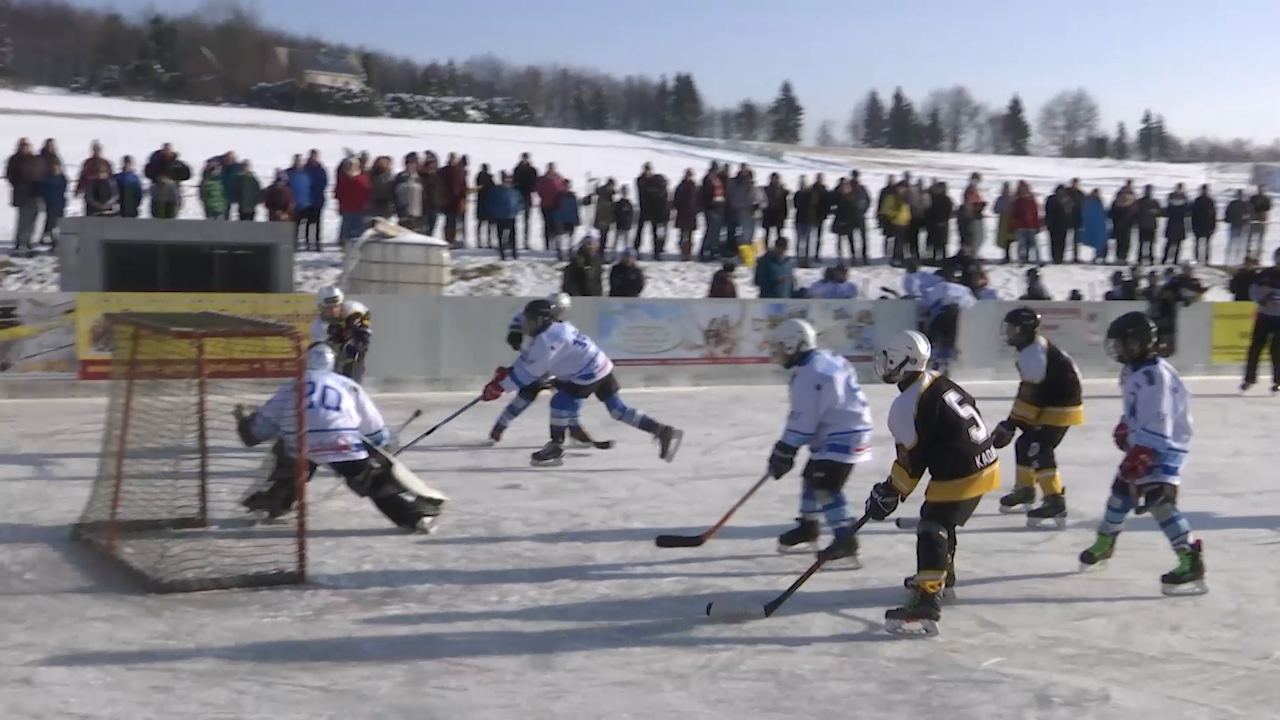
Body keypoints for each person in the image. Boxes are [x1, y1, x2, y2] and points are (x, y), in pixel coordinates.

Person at [862, 329, 1000, 635]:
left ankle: (927, 596)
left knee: (932, 524)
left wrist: (890, 491)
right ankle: (942, 576)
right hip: (984, 461)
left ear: (902, 360)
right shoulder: (937, 380)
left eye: (887, 358)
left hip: (962, 470)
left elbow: (911, 462)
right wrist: (893, 490)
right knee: (942, 516)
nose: (883, 364)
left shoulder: (904, 406)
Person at [235, 343, 439, 533]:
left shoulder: (290, 386)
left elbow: (260, 429)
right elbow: (373, 429)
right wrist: (384, 445)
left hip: (300, 443)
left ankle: (271, 504)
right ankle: (413, 517)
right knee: (371, 480)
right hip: (342, 443)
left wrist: (244, 422)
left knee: (291, 462)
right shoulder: (348, 385)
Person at [1078, 312, 1206, 596]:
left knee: (1159, 502)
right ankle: (1106, 541)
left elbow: (1160, 417)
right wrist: (1127, 425)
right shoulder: (1134, 370)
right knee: (1121, 491)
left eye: (1125, 343)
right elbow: (1139, 409)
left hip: (1165, 445)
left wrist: (1144, 450)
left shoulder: (1153, 375)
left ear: (1142, 342)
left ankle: (1190, 559)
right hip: (1145, 443)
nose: (1120, 350)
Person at [480, 298, 683, 467]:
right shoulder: (556, 326)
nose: (527, 325)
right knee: (618, 410)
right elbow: (527, 358)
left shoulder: (548, 341)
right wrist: (508, 373)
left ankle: (555, 448)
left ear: (541, 320)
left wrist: (499, 386)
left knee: (559, 403)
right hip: (601, 365)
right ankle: (662, 430)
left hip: (586, 373)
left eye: (531, 321)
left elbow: (528, 373)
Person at [766, 319, 874, 563]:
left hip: (844, 433)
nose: (778, 353)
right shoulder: (823, 359)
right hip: (843, 429)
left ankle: (846, 540)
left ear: (795, 345)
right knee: (811, 477)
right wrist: (786, 450)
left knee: (825, 486)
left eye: (781, 347)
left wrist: (785, 449)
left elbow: (803, 420)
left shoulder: (809, 374)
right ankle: (808, 526)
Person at [990, 308, 1083, 527]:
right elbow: (1030, 394)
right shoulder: (1030, 350)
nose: (1008, 333)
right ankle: (1025, 489)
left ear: (1023, 331)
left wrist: (1012, 423)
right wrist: (1014, 423)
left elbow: (1031, 394)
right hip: (1050, 402)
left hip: (1062, 404)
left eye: (1012, 329)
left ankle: (1054, 500)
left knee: (1040, 448)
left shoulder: (1034, 353)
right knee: (1025, 443)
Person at [490, 292, 606, 448]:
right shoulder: (538, 316)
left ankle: (574, 428)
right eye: (557, 310)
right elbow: (519, 317)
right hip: (536, 362)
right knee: (525, 396)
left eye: (562, 311)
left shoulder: (561, 328)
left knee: (566, 399)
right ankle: (500, 425)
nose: (558, 315)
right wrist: (515, 332)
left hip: (554, 369)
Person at [921, 267, 976, 375]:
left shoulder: (942, 286)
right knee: (949, 340)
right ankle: (946, 363)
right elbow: (971, 303)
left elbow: (929, 300)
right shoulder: (964, 289)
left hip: (940, 315)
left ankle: (936, 361)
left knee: (935, 336)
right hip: (954, 316)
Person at [311, 285, 371, 382]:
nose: (334, 310)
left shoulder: (353, 310)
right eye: (329, 308)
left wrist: (363, 329)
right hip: (334, 349)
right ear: (321, 308)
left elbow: (366, 315)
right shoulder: (318, 327)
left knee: (355, 358)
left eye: (336, 306)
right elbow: (321, 351)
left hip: (354, 341)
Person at [1242, 248, 1280, 393]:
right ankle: (1249, 378)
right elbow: (1253, 291)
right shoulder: (1264, 275)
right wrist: (1263, 301)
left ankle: (1278, 381)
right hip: (1264, 316)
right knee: (1255, 347)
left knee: (1276, 349)